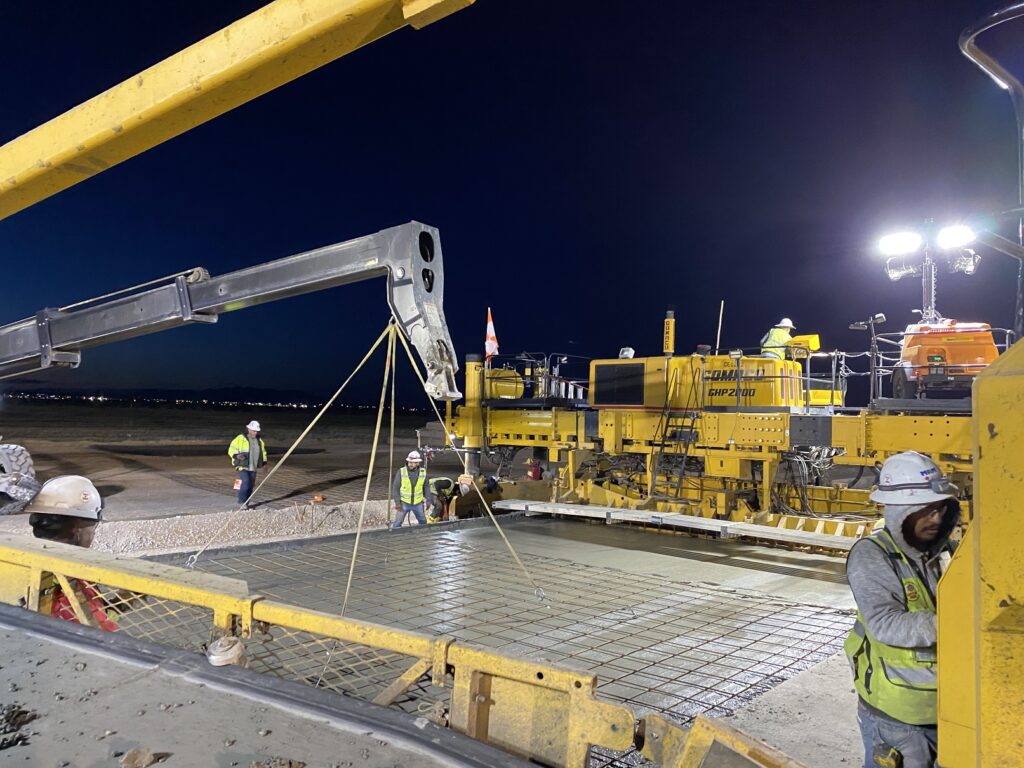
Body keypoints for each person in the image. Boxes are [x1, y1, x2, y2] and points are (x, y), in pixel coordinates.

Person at [844, 451, 960, 768]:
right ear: (899, 511)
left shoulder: (945, 550)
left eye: (940, 509)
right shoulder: (872, 556)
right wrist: (956, 623)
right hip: (898, 716)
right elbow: (885, 624)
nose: (935, 519)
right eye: (924, 511)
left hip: (948, 705)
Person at [25, 475, 117, 630]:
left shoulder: (18, 558)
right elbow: (99, 631)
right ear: (78, 527)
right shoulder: (71, 574)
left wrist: (126, 600)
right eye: (93, 527)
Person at [228, 420, 268, 508]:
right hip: (242, 466)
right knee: (245, 482)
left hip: (253, 467)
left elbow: (263, 452)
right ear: (248, 429)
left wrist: (264, 463)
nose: (255, 432)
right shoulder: (240, 438)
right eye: (254, 431)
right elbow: (232, 448)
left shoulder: (259, 440)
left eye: (256, 431)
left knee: (250, 485)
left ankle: (246, 502)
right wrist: (236, 455)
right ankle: (241, 502)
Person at [391, 450, 427, 528]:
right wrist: (397, 503)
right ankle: (395, 537)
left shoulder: (423, 472)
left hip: (418, 503)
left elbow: (426, 486)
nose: (410, 464)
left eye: (413, 462)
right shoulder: (401, 471)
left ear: (417, 463)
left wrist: (429, 499)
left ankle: (422, 536)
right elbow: (395, 488)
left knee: (423, 522)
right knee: (397, 523)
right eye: (409, 462)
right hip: (404, 502)